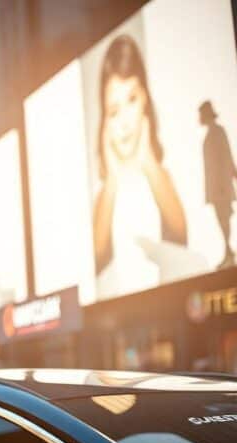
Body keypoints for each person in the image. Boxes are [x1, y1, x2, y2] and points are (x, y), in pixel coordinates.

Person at [91, 34, 187, 298]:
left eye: (131, 99)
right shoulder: (104, 191)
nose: (124, 121)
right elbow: (96, 256)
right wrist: (111, 178)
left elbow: (181, 233)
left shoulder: (161, 172)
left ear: (145, 96)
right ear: (105, 119)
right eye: (113, 111)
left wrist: (147, 159)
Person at [200, 100, 237, 268]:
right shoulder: (209, 136)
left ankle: (228, 251)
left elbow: (227, 157)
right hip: (215, 187)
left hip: (221, 186)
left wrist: (230, 178)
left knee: (224, 218)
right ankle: (228, 250)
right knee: (221, 219)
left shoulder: (218, 132)